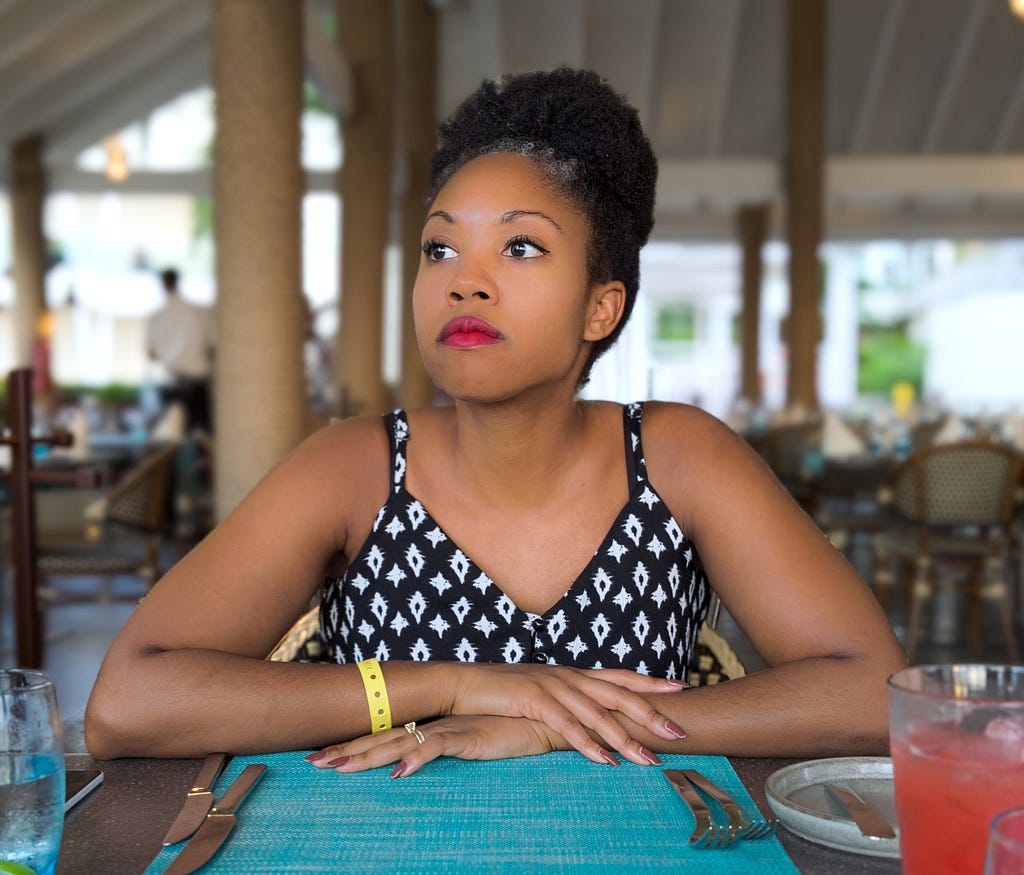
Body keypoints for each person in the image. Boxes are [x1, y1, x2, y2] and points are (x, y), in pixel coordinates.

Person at [86, 68, 906, 774]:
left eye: (520, 249)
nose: (465, 283)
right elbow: (128, 702)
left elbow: (872, 692)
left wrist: (553, 724)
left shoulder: (676, 455)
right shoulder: (353, 465)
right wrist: (454, 685)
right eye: (440, 249)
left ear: (600, 306)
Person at [145, 268, 215, 434]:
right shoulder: (200, 312)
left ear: (162, 284)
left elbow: (151, 353)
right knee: (201, 439)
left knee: (174, 438)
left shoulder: (157, 317)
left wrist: (170, 354)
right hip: (197, 385)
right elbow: (213, 346)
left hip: (173, 383)